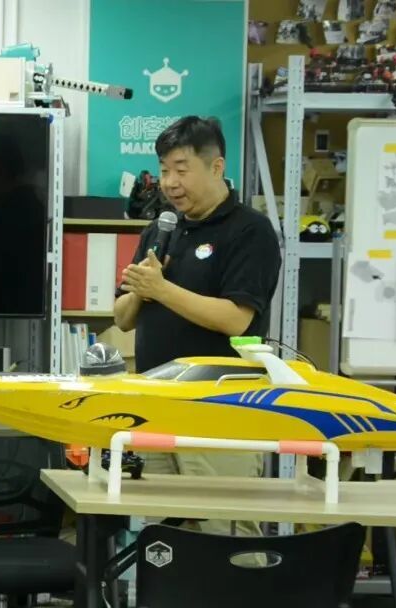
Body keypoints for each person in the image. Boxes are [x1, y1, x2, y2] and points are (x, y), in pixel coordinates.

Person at [114, 116, 281, 539]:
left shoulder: (250, 230)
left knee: (225, 536)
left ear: (216, 167)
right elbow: (122, 318)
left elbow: (236, 319)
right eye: (164, 170)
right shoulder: (161, 229)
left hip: (219, 410)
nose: (170, 183)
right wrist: (143, 291)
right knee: (162, 541)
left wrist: (162, 288)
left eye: (181, 170)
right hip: (155, 406)